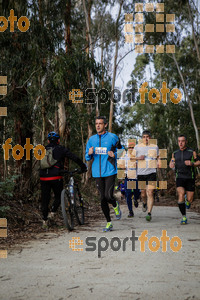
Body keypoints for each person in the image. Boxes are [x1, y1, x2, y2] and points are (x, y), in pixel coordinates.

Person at [40, 131, 87, 228]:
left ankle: (44, 221)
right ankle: (52, 213)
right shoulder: (61, 149)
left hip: (43, 177)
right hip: (56, 177)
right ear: (58, 140)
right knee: (58, 196)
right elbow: (74, 157)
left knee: (45, 199)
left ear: (48, 141)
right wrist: (83, 167)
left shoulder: (42, 149)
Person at [85, 116, 122, 232]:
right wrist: (89, 153)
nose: (98, 125)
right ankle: (108, 222)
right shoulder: (91, 140)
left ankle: (115, 205)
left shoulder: (113, 137)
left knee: (108, 196)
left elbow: (121, 150)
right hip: (97, 173)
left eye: (100, 123)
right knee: (102, 198)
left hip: (110, 171)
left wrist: (115, 155)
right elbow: (87, 156)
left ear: (105, 125)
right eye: (96, 123)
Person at [169, 135, 199, 224]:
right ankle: (184, 216)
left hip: (190, 177)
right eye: (179, 141)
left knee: (190, 199)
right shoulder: (175, 153)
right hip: (180, 177)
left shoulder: (191, 151)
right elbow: (172, 161)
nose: (180, 143)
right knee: (181, 194)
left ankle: (187, 200)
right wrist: (171, 164)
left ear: (186, 142)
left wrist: (192, 163)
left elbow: (199, 162)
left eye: (182, 141)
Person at [134, 130, 159, 222]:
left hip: (152, 172)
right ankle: (144, 203)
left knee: (150, 192)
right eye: (144, 137)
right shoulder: (137, 147)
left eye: (147, 137)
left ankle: (149, 213)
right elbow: (131, 158)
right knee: (143, 194)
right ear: (142, 138)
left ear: (150, 138)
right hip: (141, 173)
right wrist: (138, 158)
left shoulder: (155, 147)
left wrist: (159, 162)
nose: (146, 139)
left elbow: (158, 156)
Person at [124, 141, 141, 218]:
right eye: (129, 147)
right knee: (128, 194)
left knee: (136, 192)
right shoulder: (125, 156)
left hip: (136, 177)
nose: (131, 149)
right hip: (128, 177)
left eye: (132, 147)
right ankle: (130, 211)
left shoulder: (138, 156)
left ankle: (136, 199)